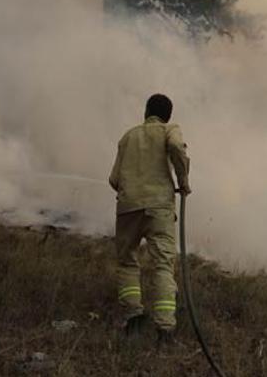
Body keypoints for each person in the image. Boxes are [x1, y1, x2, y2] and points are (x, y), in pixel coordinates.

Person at [108, 93, 191, 344]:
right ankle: (165, 329)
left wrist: (131, 192)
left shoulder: (128, 136)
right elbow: (177, 147)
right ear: (168, 115)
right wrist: (183, 182)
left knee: (127, 260)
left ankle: (133, 314)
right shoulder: (170, 130)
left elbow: (113, 179)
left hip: (128, 207)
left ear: (146, 112)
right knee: (163, 264)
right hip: (159, 209)